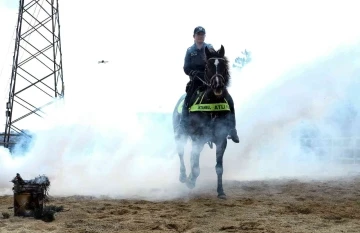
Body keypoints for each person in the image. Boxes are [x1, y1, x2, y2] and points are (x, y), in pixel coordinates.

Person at [177, 26, 239, 143]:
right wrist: (192, 72)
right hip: (196, 81)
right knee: (187, 100)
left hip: (210, 81)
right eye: (198, 34)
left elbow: (216, 61)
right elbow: (186, 68)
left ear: (204, 36)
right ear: (194, 36)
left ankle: (232, 130)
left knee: (229, 100)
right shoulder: (190, 51)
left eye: (202, 34)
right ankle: (183, 126)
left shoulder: (209, 48)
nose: (200, 36)